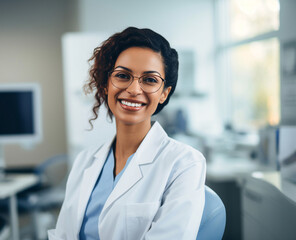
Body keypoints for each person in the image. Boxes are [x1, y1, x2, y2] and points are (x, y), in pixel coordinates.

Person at [48, 27, 206, 240]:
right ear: (105, 85)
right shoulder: (85, 161)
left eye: (149, 80)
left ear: (164, 93)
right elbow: (64, 235)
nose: (134, 89)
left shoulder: (185, 164)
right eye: (123, 76)